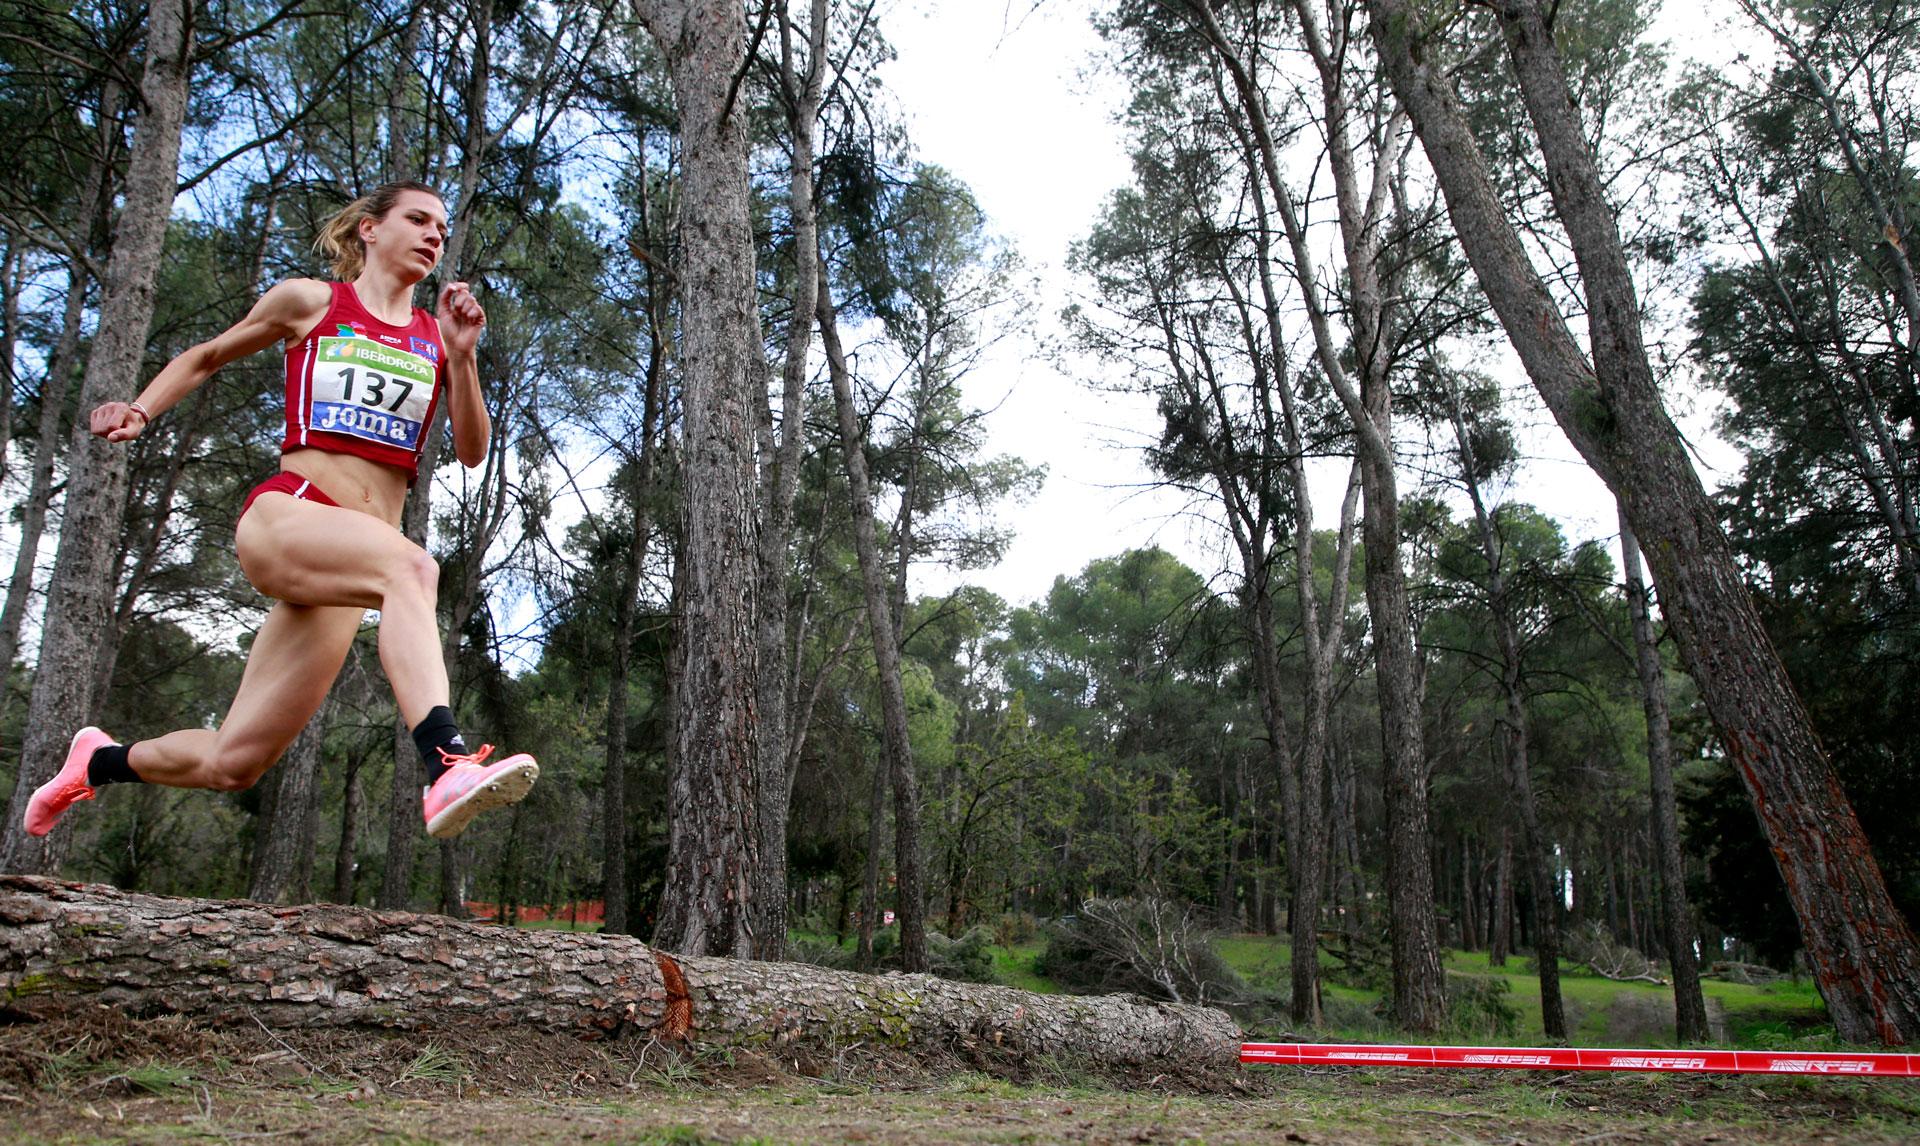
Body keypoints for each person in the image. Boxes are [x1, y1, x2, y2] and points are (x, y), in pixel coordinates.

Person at [23, 180, 537, 843]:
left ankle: (96, 762)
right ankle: (446, 761)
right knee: (412, 570)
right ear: (370, 230)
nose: (435, 234)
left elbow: (471, 451)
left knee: (233, 761)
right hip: (290, 516)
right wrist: (139, 409)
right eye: (418, 219)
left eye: (441, 226)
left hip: (352, 561)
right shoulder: (313, 302)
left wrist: (462, 358)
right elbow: (209, 356)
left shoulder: (434, 338)